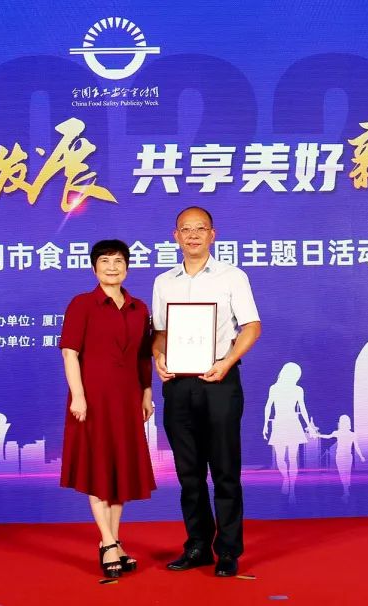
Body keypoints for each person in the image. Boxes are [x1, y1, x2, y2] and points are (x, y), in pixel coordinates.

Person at [151, 207, 261, 577]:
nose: (193, 235)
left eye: (201, 229)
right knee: (189, 473)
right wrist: (158, 357)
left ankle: (228, 550)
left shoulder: (232, 276)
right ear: (176, 236)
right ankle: (197, 545)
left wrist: (227, 362)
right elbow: (160, 333)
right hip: (179, 383)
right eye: (186, 229)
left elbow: (251, 326)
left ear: (213, 235)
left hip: (219, 378)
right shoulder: (164, 282)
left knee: (225, 470)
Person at [59, 239, 157, 578]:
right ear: (94, 267)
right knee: (98, 470)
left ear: (127, 267)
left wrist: (146, 393)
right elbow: (70, 353)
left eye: (118, 261)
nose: (112, 267)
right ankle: (108, 541)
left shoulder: (139, 308)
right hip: (93, 399)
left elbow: (143, 356)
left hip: (127, 399)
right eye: (105, 261)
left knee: (120, 472)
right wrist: (78, 395)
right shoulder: (82, 304)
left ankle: (112, 541)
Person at [262, 362, 317, 504]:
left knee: (293, 458)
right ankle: (286, 479)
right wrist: (265, 424)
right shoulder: (274, 388)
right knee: (280, 458)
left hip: (293, 424)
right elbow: (268, 406)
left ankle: (292, 489)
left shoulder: (298, 390)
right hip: (279, 423)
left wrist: (309, 426)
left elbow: (303, 409)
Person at [317, 415, 366, 503]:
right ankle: (346, 491)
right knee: (346, 474)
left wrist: (318, 435)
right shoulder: (352, 434)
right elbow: (357, 447)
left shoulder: (338, 433)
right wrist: (361, 456)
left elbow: (328, 436)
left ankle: (346, 492)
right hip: (347, 456)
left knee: (343, 474)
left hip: (341, 456)